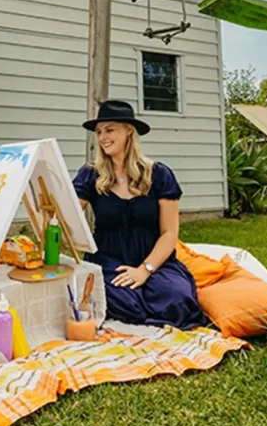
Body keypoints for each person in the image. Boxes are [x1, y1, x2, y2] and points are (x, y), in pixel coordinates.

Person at [72, 100, 207, 330]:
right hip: (108, 261)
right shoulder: (90, 175)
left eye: (110, 129)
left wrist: (145, 270)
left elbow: (169, 233)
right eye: (99, 132)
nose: (103, 137)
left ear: (129, 130)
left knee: (176, 298)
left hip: (154, 260)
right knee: (123, 301)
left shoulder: (159, 174)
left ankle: (146, 305)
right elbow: (68, 213)